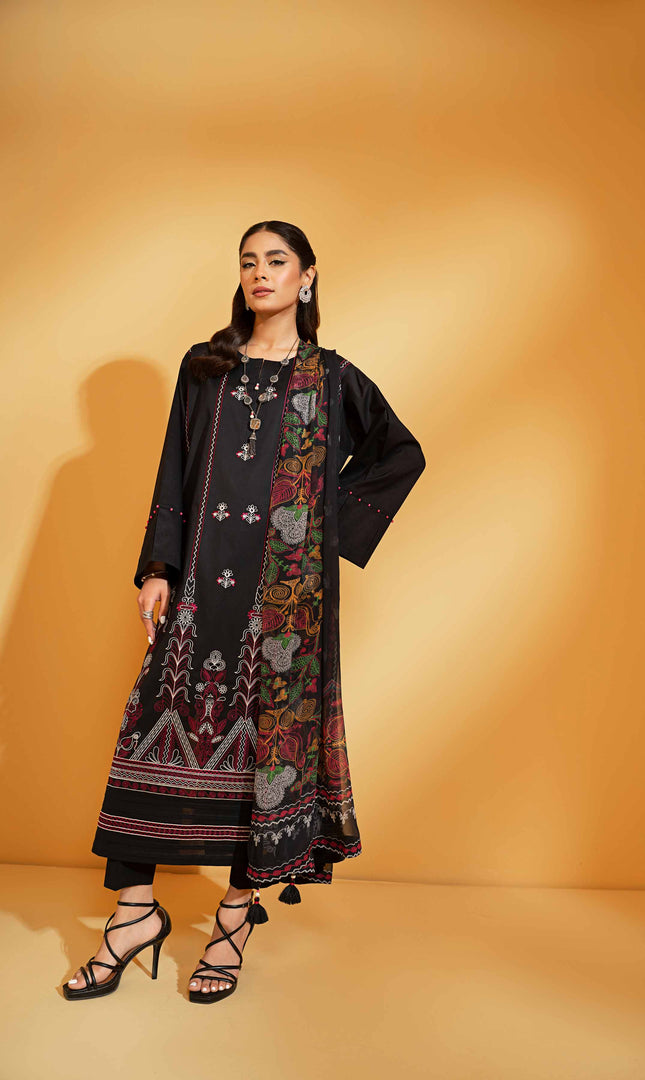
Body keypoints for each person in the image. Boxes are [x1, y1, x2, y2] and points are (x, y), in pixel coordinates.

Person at [63, 220, 426, 1003]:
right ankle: (133, 914)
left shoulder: (331, 377)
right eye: (248, 262)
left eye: (277, 261)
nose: (261, 273)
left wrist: (322, 523)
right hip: (200, 582)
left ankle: (233, 919)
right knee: (153, 726)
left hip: (286, 596)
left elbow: (402, 453)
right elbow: (174, 465)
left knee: (267, 746)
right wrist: (157, 567)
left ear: (307, 276)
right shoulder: (206, 367)